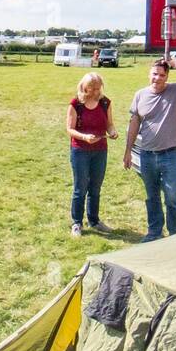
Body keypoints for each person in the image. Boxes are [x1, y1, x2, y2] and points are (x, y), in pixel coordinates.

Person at [127, 58, 176, 240]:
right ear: (149, 74)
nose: (157, 78)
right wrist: (128, 151)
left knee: (172, 195)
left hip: (170, 154)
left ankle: (175, 232)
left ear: (167, 77)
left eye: (162, 75)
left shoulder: (175, 90)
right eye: (154, 74)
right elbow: (134, 123)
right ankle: (154, 232)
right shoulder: (140, 95)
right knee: (152, 196)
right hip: (147, 154)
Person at [67, 72, 115, 236]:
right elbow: (69, 129)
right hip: (80, 150)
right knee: (80, 188)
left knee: (95, 187)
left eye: (98, 88)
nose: (95, 92)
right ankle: (76, 223)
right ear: (83, 87)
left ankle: (94, 220)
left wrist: (113, 132)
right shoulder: (76, 104)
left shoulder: (105, 103)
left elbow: (109, 124)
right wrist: (84, 137)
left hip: (100, 150)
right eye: (91, 89)